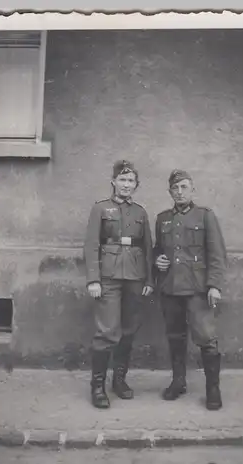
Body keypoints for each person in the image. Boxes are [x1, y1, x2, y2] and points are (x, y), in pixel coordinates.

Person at [153, 169, 226, 410]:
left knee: (206, 338)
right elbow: (158, 250)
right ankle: (178, 381)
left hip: (197, 289)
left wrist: (214, 285)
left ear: (192, 189)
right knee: (175, 336)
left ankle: (212, 388)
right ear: (169, 192)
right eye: (175, 188)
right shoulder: (162, 218)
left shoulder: (205, 216)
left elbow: (217, 254)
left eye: (184, 187)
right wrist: (158, 260)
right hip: (170, 287)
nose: (180, 191)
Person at [84, 160, 154, 409]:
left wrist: (149, 280)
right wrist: (94, 279)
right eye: (122, 180)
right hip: (109, 278)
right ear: (113, 182)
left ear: (136, 185)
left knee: (129, 329)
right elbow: (92, 244)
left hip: (135, 278)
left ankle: (119, 381)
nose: (126, 185)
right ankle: (98, 386)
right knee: (106, 331)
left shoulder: (140, 212)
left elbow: (147, 249)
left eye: (131, 181)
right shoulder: (101, 209)